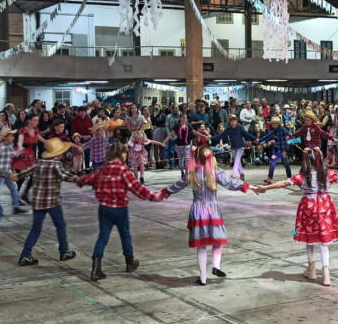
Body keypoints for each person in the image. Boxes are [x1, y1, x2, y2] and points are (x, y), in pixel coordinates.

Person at [258, 148, 338, 286]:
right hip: (325, 207)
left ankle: (311, 269)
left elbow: (284, 183)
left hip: (308, 208)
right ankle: (326, 274)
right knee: (324, 241)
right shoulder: (328, 173)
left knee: (310, 238)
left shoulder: (302, 176)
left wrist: (265, 188)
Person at [157, 145, 259, 285]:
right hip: (212, 210)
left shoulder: (192, 173)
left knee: (202, 245)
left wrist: (164, 193)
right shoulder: (215, 172)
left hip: (198, 210)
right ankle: (216, 266)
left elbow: (176, 185)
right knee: (218, 239)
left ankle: (203, 278)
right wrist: (251, 187)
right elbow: (231, 183)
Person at [76, 144, 162, 282]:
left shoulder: (103, 169)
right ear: (121, 155)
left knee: (103, 236)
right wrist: (154, 196)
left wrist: (79, 181)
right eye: (125, 154)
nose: (126, 156)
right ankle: (129, 262)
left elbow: (89, 178)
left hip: (104, 208)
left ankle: (95, 268)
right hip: (120, 208)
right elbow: (136, 187)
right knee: (125, 235)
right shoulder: (123, 170)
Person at [16, 138, 79, 266]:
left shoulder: (38, 163)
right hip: (53, 202)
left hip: (38, 202)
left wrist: (13, 175)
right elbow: (66, 177)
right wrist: (82, 179)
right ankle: (63, 251)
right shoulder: (56, 165)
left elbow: (24, 174)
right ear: (57, 154)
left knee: (35, 229)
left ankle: (25, 255)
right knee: (60, 225)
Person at [210, 114, 257, 180]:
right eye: (231, 121)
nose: (233, 122)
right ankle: (242, 174)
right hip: (233, 148)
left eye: (234, 121)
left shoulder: (240, 127)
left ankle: (233, 174)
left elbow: (247, 134)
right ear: (229, 122)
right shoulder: (228, 129)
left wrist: (254, 138)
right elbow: (220, 136)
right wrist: (211, 138)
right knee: (237, 162)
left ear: (236, 121)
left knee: (237, 159)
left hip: (240, 147)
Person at [0, 128, 26, 214]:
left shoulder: (9, 146)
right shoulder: (0, 147)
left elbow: (13, 154)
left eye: (12, 135)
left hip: (7, 172)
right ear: (5, 137)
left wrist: (20, 151)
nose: (13, 137)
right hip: (0, 173)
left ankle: (15, 206)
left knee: (14, 187)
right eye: (10, 136)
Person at [258, 116, 294, 184]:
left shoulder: (282, 129)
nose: (272, 125)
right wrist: (259, 141)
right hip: (276, 151)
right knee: (272, 163)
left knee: (286, 163)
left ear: (277, 124)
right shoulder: (273, 131)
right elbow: (266, 137)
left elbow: (290, 134)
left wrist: (292, 138)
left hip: (283, 150)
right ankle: (270, 178)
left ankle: (290, 178)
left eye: (274, 123)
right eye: (272, 124)